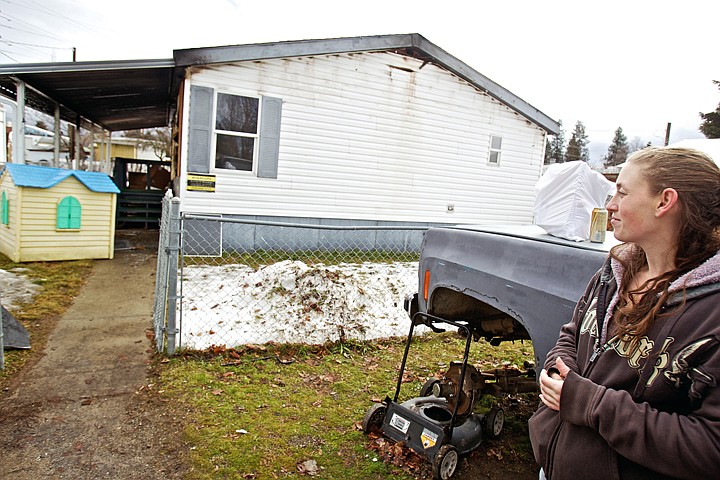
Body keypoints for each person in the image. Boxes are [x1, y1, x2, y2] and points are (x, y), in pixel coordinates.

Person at [528, 146, 720, 480]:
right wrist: (561, 374)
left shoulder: (711, 312)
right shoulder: (616, 270)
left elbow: (709, 448)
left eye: (623, 192)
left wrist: (590, 403)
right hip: (556, 466)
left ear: (665, 201)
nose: (610, 204)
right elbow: (572, 334)